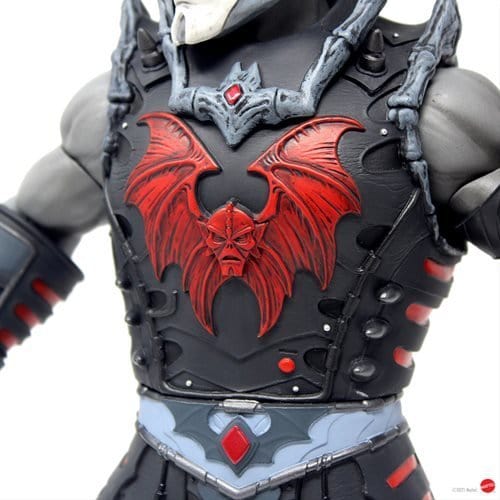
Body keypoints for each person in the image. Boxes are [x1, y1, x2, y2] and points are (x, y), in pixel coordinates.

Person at [0, 1, 499, 499]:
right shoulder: (118, 105)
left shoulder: (435, 107)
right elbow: (29, 230)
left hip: (349, 477)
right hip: (158, 475)